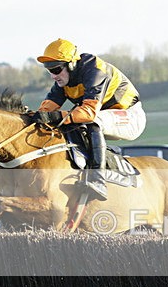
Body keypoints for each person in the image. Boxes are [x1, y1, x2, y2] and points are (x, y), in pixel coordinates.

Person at [35, 38, 145, 200]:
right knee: (65, 125)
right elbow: (46, 110)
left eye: (56, 69)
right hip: (104, 116)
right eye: (49, 70)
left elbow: (89, 113)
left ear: (71, 64)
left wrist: (57, 116)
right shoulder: (63, 80)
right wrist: (32, 117)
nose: (53, 75)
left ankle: (98, 178)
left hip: (130, 117)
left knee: (92, 121)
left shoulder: (94, 71)